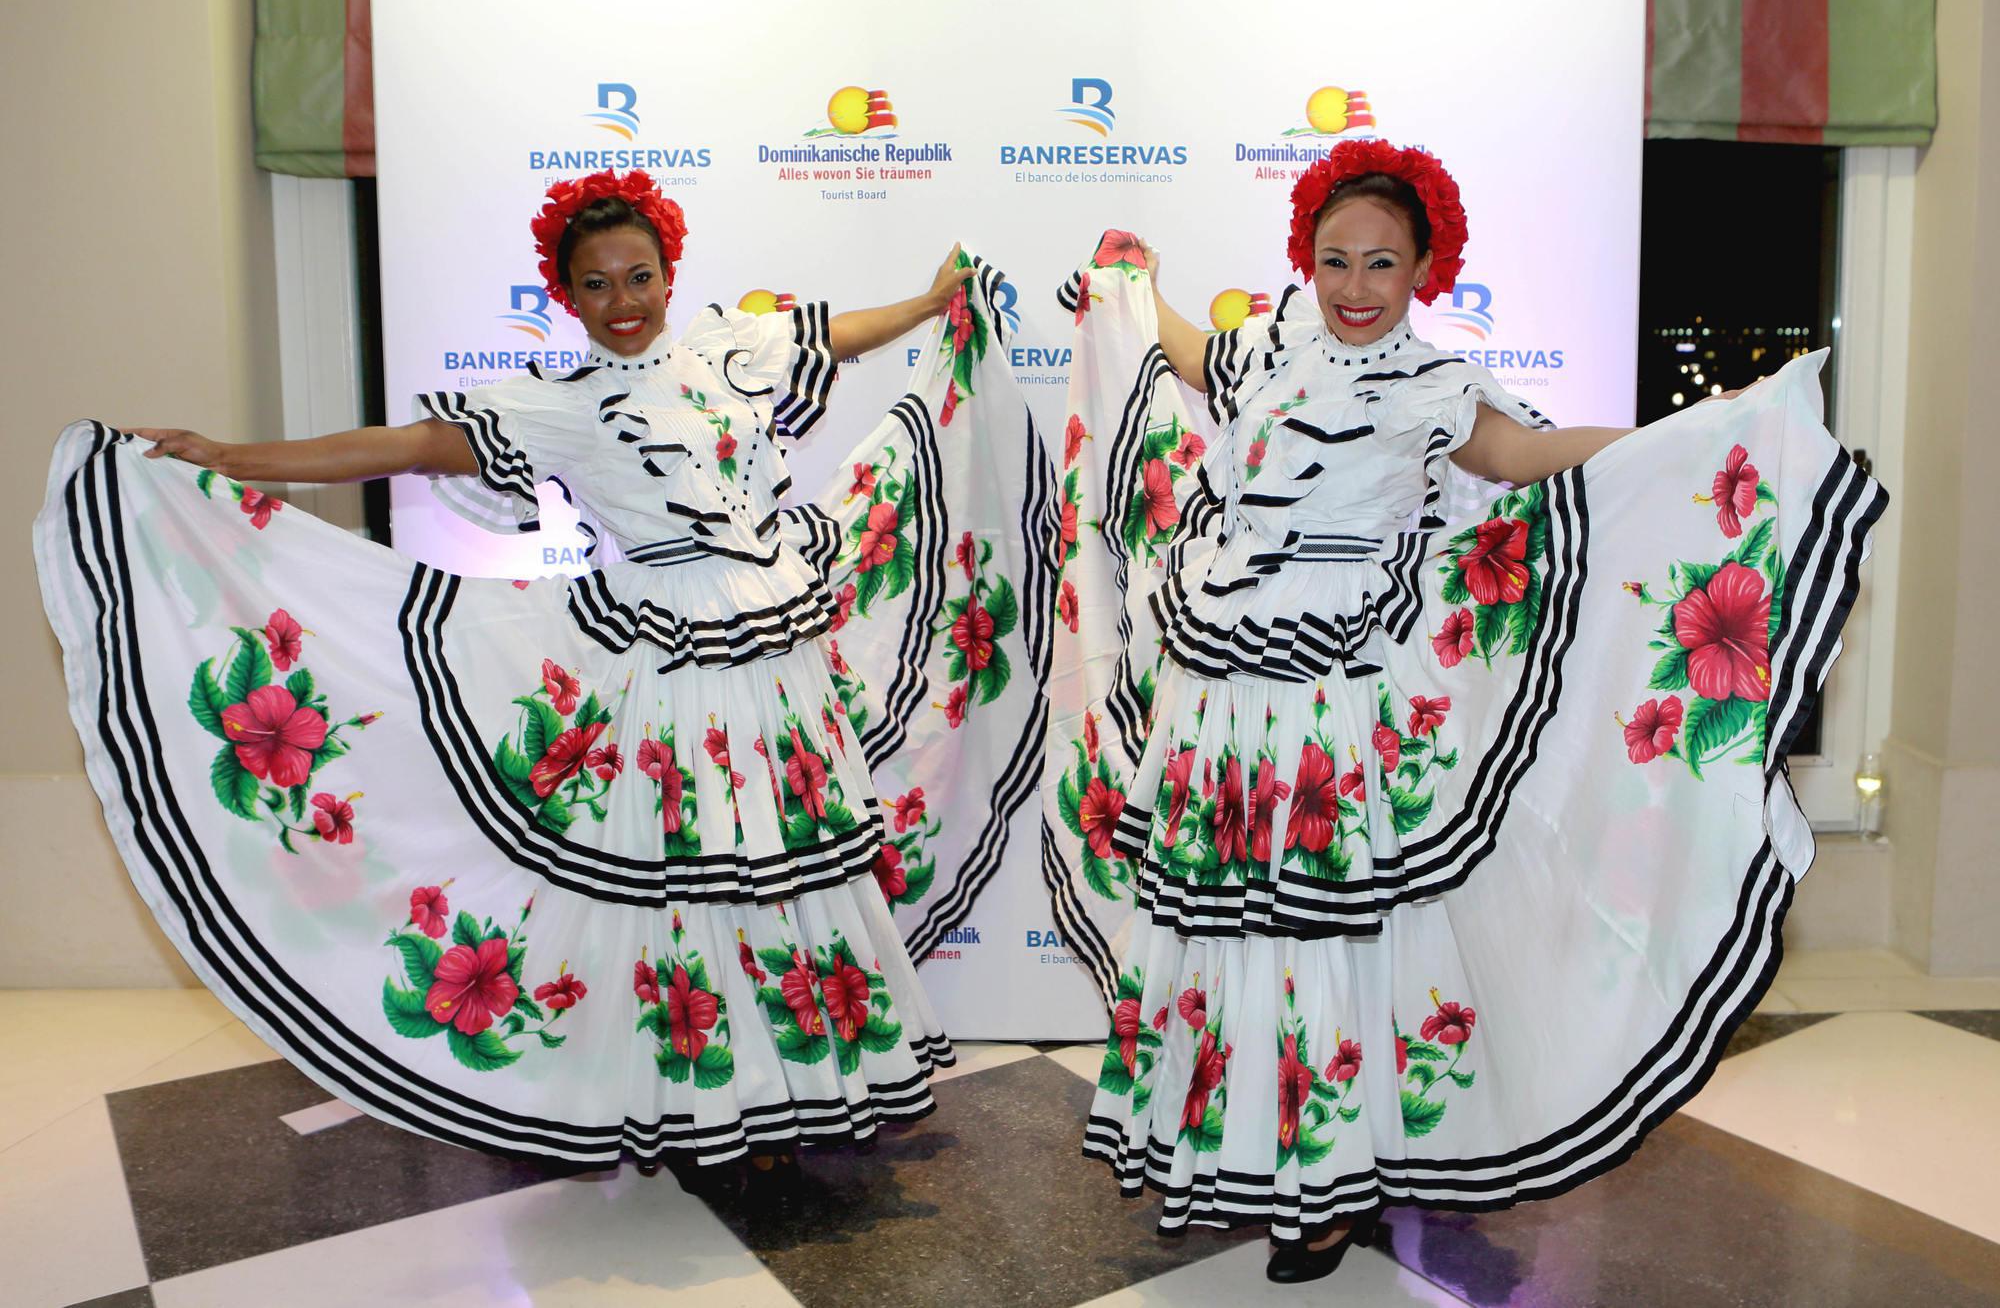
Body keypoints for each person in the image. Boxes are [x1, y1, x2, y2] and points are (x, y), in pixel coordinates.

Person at [38, 167, 974, 1188]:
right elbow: (403, 446)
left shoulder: (726, 347)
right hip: (672, 661)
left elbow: (837, 333)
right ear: (566, 296)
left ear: (668, 275)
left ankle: (807, 1083)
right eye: (596, 284)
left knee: (792, 866)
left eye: (638, 276)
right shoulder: (554, 404)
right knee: (694, 877)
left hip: (775, 646)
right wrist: (231, 455)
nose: (623, 301)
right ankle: (710, 1097)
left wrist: (930, 304)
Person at [1072, 141, 1884, 1281]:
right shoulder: (1264, 347)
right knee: (1227, 926)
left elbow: (1527, 455)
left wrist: (1692, 441)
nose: (1355, 286)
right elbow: (1184, 347)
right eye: (1335, 260)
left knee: (1321, 935)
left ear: (1422, 270)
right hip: (1223, 691)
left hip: (1331, 696)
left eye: (1381, 263)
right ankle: (1236, 1146)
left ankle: (1325, 1188)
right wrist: (1130, 279)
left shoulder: (1436, 385)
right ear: (1306, 259)